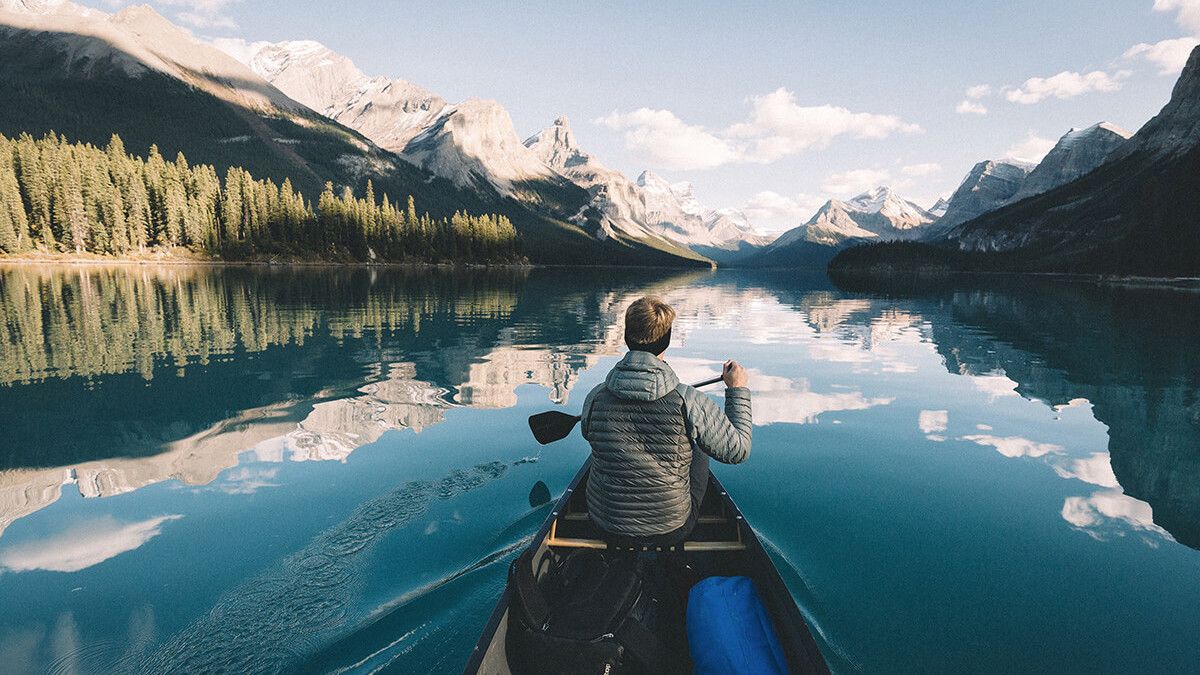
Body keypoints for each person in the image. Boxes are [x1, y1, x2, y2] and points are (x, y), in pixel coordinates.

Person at [580, 296, 752, 544]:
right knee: (699, 448)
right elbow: (738, 450)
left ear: (627, 337)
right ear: (667, 340)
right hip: (671, 528)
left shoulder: (595, 397)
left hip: (604, 523)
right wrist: (737, 389)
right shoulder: (688, 401)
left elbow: (588, 433)